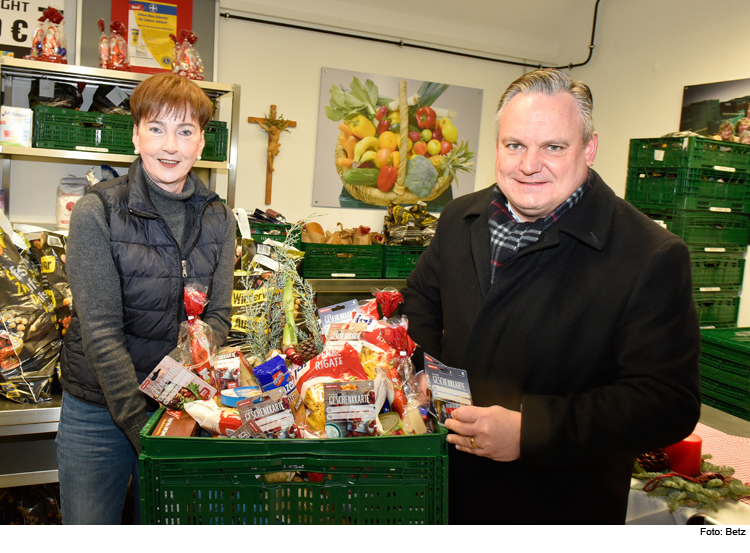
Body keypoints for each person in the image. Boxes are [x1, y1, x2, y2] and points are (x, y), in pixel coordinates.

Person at [401, 68, 701, 525]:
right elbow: (420, 300)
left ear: (589, 148)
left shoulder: (649, 254)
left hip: (555, 503)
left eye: (553, 147)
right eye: (514, 145)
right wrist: (421, 371)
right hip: (445, 483)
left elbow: (666, 401)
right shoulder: (461, 217)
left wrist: (532, 432)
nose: (528, 164)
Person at [56, 73, 237, 524]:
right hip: (98, 411)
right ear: (136, 134)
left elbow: (218, 314)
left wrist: (183, 387)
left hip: (181, 407)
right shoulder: (98, 211)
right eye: (156, 128)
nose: (170, 146)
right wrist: (142, 426)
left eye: (185, 131)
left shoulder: (219, 217)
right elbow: (100, 332)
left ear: (201, 144)